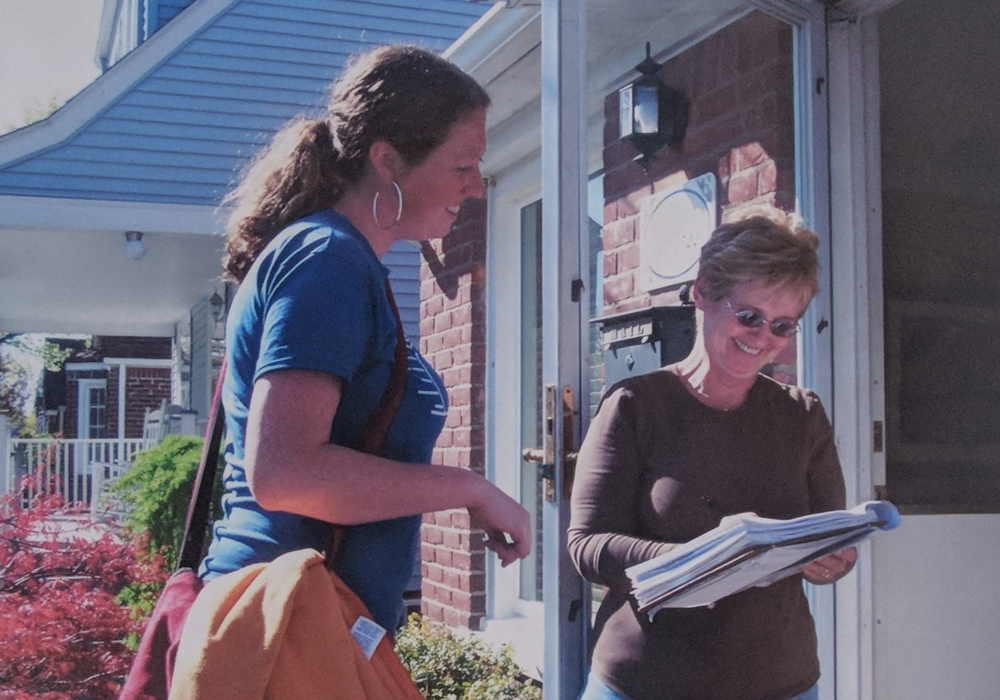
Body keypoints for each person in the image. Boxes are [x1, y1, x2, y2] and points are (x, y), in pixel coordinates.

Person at [198, 44, 531, 634]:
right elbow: (284, 473)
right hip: (285, 633)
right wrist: (469, 489)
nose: (477, 187)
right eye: (462, 165)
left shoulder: (342, 261)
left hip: (313, 625)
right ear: (387, 160)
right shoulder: (328, 259)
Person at [568, 215, 858, 700]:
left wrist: (833, 559)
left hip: (780, 682)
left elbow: (828, 534)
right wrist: (704, 560)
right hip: (646, 682)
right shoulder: (635, 405)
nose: (762, 337)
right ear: (702, 292)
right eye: (749, 316)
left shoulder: (802, 414)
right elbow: (587, 546)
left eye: (783, 326)